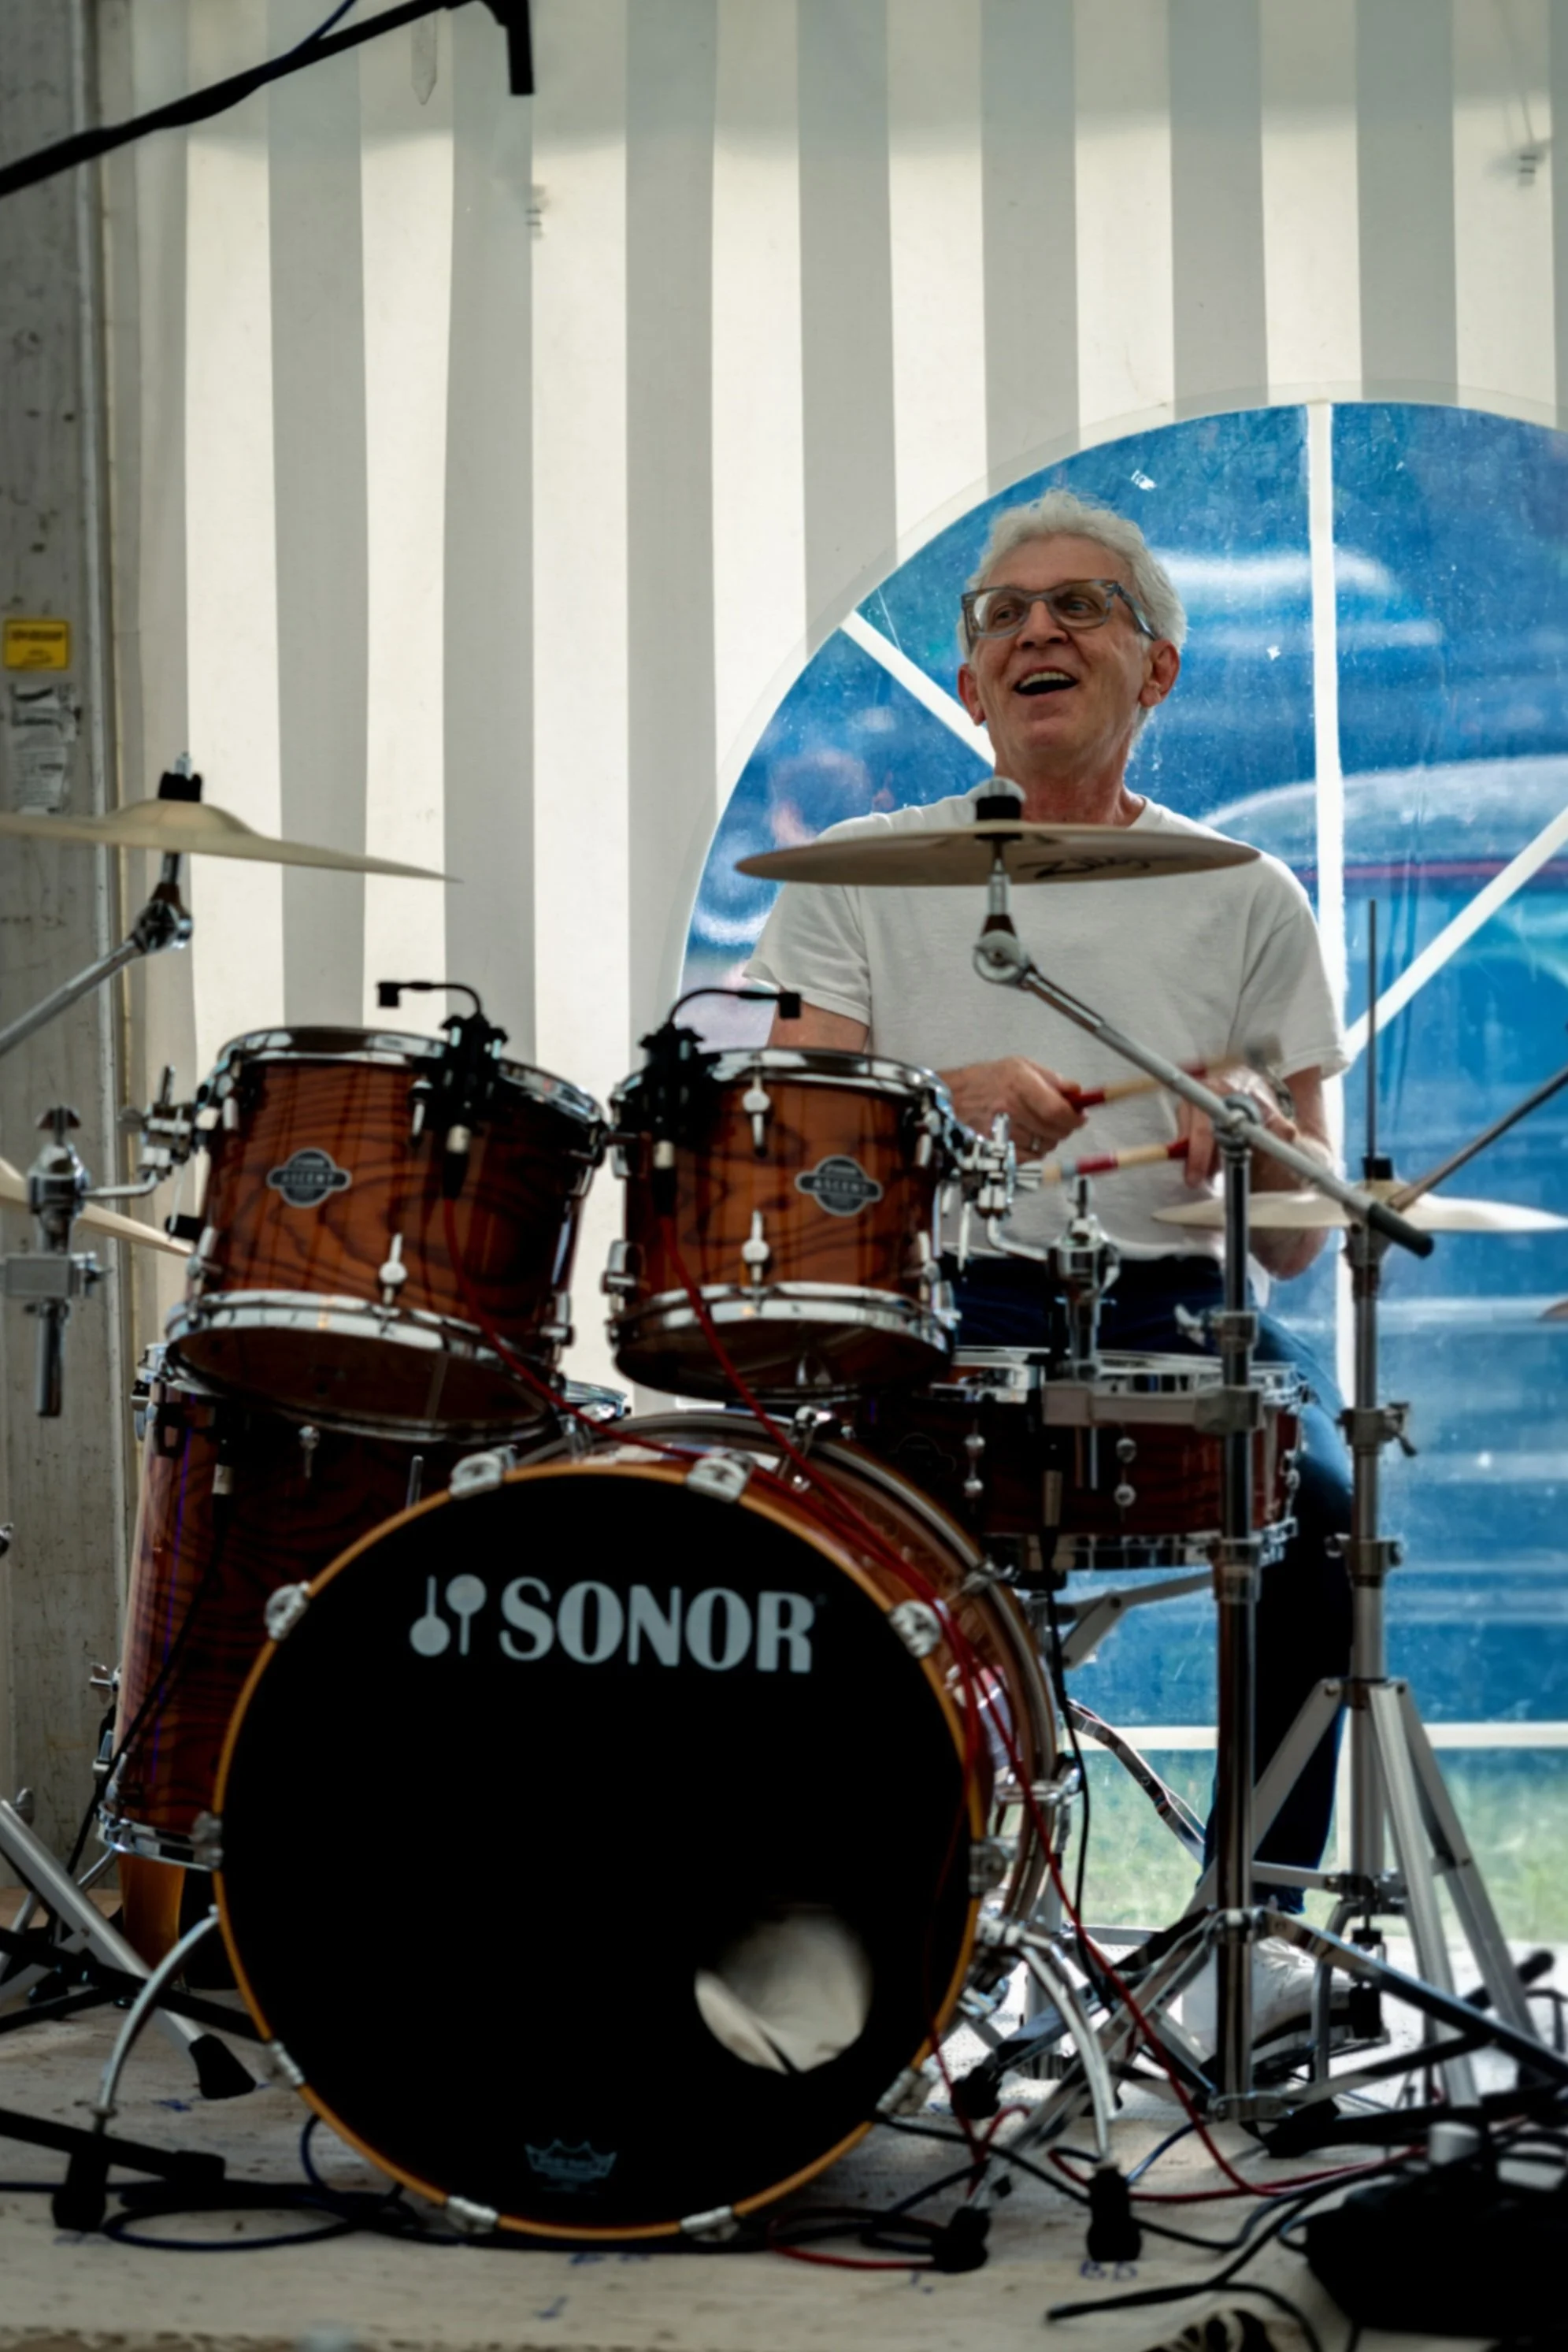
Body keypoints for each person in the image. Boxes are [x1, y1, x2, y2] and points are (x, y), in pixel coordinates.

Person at [746, 486, 1353, 2048]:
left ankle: (1254, 1924)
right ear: (964, 689)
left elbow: (1298, 1236)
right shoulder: (860, 874)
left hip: (1174, 1307)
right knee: (821, 1542)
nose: (1036, 628)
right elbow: (794, 1160)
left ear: (1155, 671)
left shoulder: (1245, 892)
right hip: (936, 1304)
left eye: (1079, 604)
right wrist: (941, 1107)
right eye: (1004, 614)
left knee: (1326, 1515)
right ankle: (908, 1924)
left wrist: (1253, 1135)